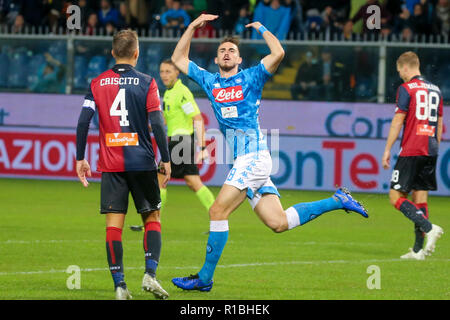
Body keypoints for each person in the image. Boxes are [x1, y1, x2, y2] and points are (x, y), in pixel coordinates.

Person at [169, 13, 369, 292]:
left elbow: (279, 52)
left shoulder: (252, 77)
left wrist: (261, 27)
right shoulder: (210, 81)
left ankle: (204, 278)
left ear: (240, 59)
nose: (226, 53)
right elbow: (178, 59)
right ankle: (338, 200)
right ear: (216, 59)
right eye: (222, 50)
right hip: (245, 161)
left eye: (232, 51)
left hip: (254, 156)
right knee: (278, 222)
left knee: (217, 210)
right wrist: (192, 27)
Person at [75, 29, 171, 300]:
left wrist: (80, 158)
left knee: (113, 226)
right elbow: (156, 123)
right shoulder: (148, 83)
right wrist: (165, 158)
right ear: (137, 53)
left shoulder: (97, 83)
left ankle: (119, 286)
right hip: (141, 162)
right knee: (152, 217)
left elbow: (83, 122)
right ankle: (150, 275)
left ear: (113, 52)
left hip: (111, 164)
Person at [382, 51, 444, 261]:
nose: (400, 75)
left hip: (411, 149)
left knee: (395, 197)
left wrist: (388, 149)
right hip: (431, 149)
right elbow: (439, 125)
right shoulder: (436, 90)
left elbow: (398, 121)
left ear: (406, 67)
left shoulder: (406, 89)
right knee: (420, 198)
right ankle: (418, 251)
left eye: (400, 71)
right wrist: (434, 146)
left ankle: (429, 227)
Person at [157, 59, 215, 216]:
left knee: (160, 179)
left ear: (177, 72)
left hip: (180, 141)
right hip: (181, 141)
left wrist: (203, 147)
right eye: (162, 71)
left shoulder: (182, 93)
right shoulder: (169, 92)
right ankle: (217, 215)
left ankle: (153, 222)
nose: (164, 75)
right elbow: (165, 122)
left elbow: (197, 118)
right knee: (193, 181)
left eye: (168, 71)